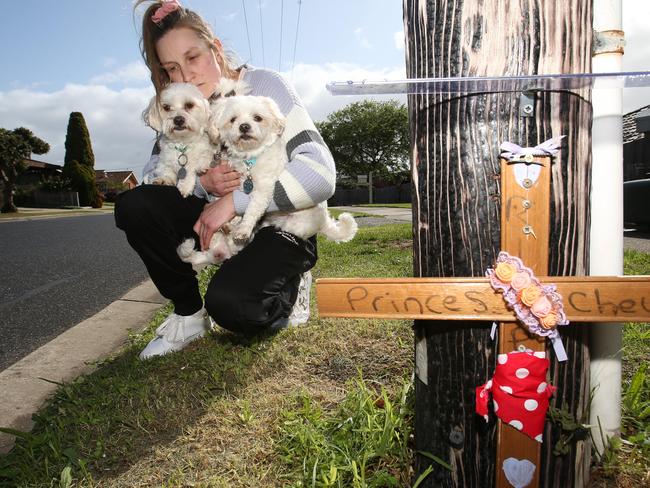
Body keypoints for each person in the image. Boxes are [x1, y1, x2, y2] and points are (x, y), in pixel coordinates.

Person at [115, 0, 336, 360]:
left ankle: (288, 282)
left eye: (193, 57)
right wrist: (206, 185)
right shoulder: (181, 107)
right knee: (135, 205)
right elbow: (152, 181)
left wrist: (235, 201)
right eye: (172, 68)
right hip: (221, 230)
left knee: (236, 309)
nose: (186, 76)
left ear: (215, 49)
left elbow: (320, 174)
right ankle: (188, 315)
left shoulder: (265, 84)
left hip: (279, 223)